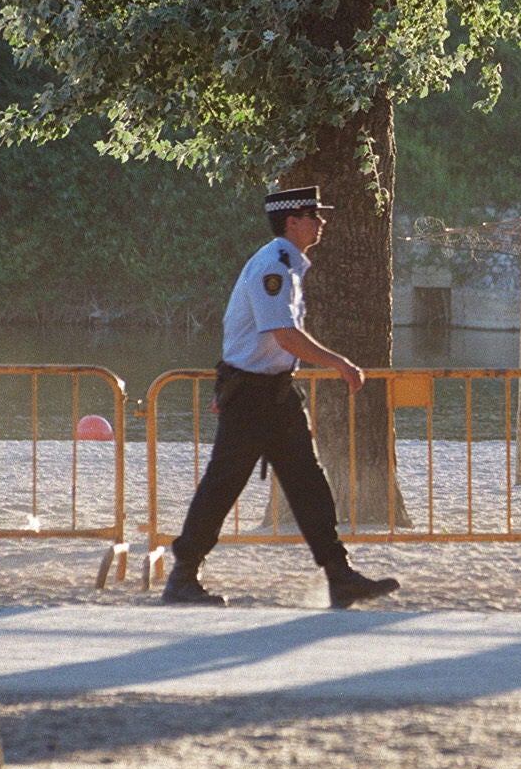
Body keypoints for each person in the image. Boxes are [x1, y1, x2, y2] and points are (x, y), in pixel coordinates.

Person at [163, 186, 399, 608]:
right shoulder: (273, 266)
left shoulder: (286, 265)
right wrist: (339, 362)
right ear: (293, 221)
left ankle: (339, 575)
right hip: (251, 395)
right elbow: (284, 334)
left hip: (274, 393)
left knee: (309, 484)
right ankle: (183, 575)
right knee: (222, 486)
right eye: (315, 215)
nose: (321, 222)